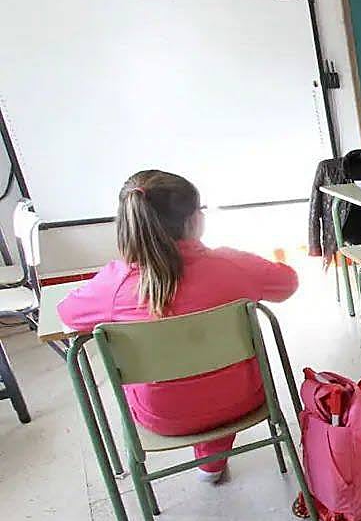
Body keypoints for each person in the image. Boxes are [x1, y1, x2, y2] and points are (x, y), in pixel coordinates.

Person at [58, 170, 299, 484]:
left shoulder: (115, 286)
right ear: (193, 220)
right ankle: (212, 464)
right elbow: (288, 282)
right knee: (211, 372)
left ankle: (205, 464)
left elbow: (67, 314)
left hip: (162, 417)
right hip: (245, 400)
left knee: (176, 380)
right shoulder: (232, 265)